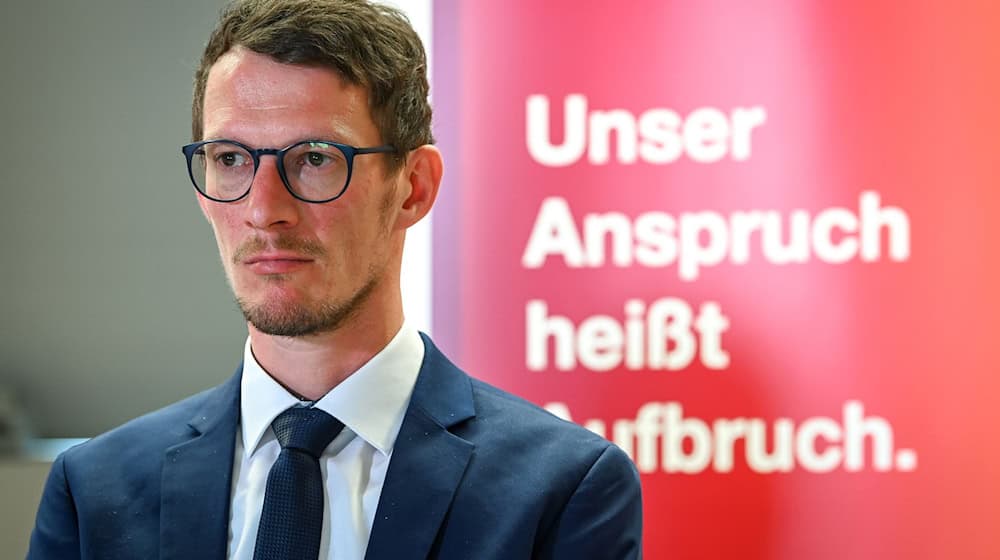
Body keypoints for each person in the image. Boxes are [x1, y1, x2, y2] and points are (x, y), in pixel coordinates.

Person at [27, 1, 643, 558]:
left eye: (316, 159)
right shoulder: (94, 488)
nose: (264, 208)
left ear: (414, 188)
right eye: (231, 159)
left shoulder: (562, 489)